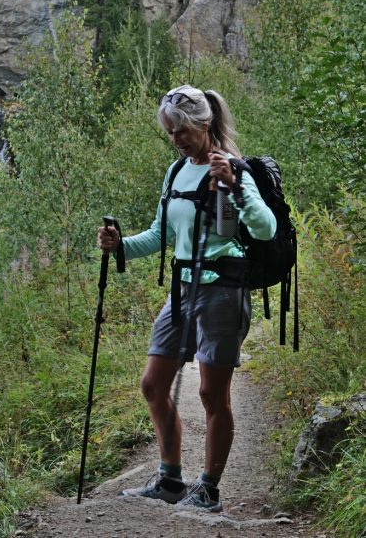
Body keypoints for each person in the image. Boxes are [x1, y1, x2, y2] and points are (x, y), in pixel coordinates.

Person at [97, 84, 276, 514]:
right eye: (170, 131)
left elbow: (265, 228)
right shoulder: (176, 172)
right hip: (180, 292)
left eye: (181, 130)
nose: (175, 139)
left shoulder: (232, 169)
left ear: (204, 122)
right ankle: (171, 479)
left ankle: (209, 489)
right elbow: (161, 236)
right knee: (153, 385)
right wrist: (119, 245)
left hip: (222, 293)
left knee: (214, 396)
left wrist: (235, 187)